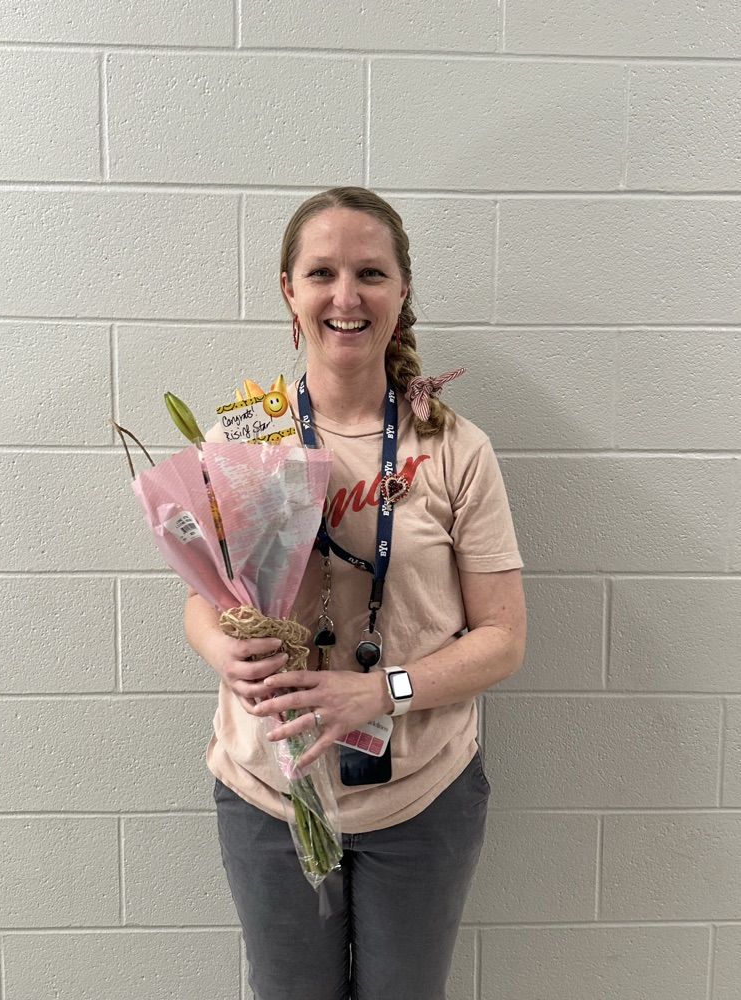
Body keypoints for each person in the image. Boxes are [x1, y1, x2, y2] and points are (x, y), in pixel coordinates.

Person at [184, 187, 526, 1000]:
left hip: (422, 799)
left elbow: (504, 636)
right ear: (288, 290)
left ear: (402, 291)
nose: (347, 296)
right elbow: (203, 597)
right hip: (269, 790)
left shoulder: (454, 448)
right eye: (322, 272)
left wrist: (379, 691)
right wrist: (220, 645)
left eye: (371, 272)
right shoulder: (243, 439)